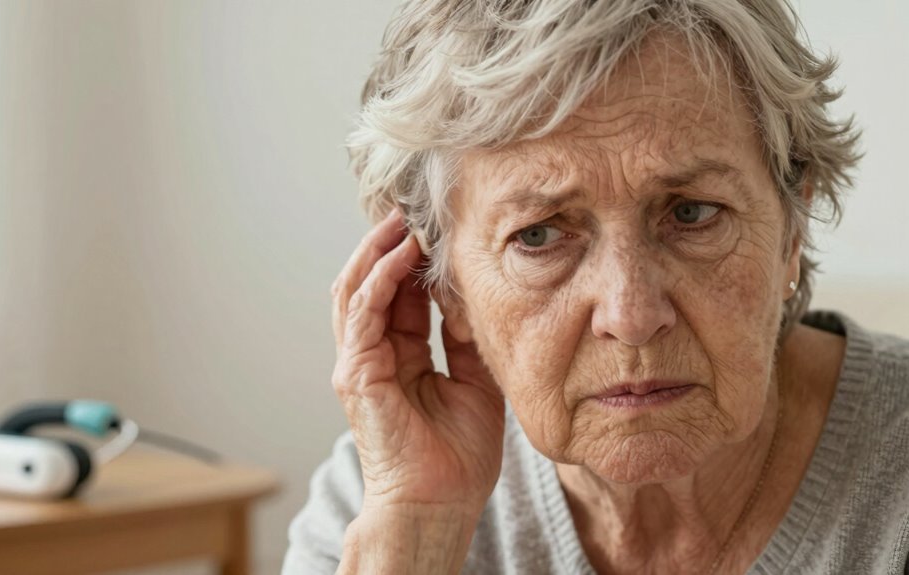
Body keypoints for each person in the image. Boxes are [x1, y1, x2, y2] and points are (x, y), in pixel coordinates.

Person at [284, 1, 909, 573]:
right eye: (538, 237)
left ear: (790, 234)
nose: (630, 314)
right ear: (444, 285)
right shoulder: (382, 493)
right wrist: (418, 532)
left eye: (691, 212)